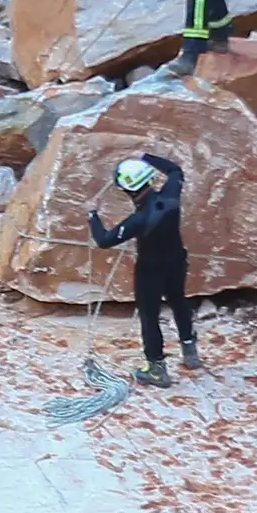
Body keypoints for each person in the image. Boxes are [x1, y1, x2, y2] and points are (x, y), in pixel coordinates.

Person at [89, 153, 201, 388]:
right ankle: (190, 351)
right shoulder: (171, 196)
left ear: (127, 190)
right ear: (149, 181)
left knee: (150, 317)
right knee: (178, 300)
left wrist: (92, 215)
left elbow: (104, 240)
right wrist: (146, 158)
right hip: (176, 261)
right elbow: (174, 171)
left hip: (150, 270)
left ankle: (157, 370)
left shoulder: (137, 220)